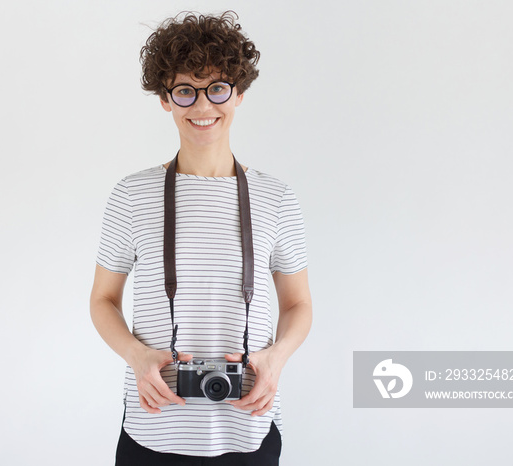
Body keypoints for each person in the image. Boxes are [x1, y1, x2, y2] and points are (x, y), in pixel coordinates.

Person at [90, 10, 313, 465]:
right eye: (185, 91)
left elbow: (299, 305)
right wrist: (136, 356)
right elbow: (102, 300)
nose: (203, 106)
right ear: (165, 100)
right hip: (152, 432)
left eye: (217, 88)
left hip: (249, 429)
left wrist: (276, 358)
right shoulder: (131, 194)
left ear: (240, 93)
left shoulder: (277, 197)